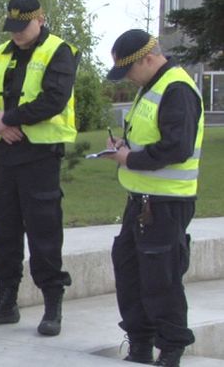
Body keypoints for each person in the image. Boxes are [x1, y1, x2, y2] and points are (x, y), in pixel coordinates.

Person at [0, 0, 80, 336]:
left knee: (44, 231)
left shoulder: (60, 51)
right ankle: (6, 302)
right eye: (12, 27)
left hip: (40, 155)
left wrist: (11, 119)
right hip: (3, 155)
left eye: (23, 26)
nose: (16, 34)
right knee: (3, 230)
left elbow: (54, 98)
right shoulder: (1, 53)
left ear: (41, 19)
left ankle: (52, 306)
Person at [104, 29, 204, 366]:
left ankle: (171, 349)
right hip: (142, 200)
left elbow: (177, 147)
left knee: (161, 279)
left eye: (129, 70)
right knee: (130, 273)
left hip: (166, 203)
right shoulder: (151, 87)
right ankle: (140, 343)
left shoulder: (177, 88)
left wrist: (129, 158)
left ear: (149, 58)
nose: (128, 78)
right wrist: (123, 147)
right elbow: (149, 139)